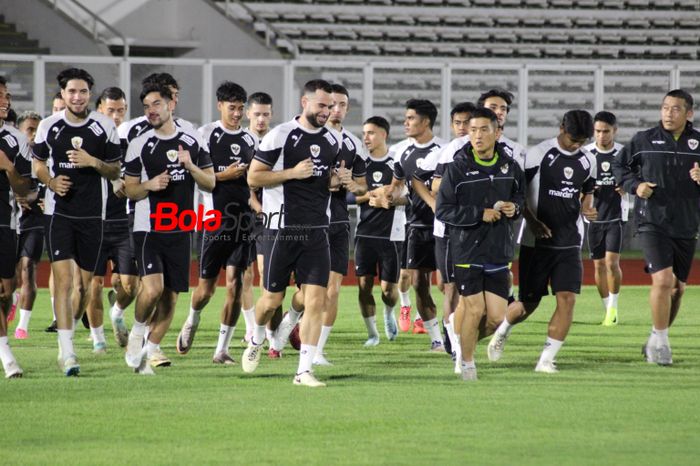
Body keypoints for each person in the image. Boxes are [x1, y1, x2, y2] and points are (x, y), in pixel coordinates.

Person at [242, 79, 343, 387]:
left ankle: (304, 371)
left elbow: (325, 182)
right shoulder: (281, 135)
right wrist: (291, 173)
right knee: (271, 299)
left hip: (316, 230)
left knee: (317, 300)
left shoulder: (332, 141)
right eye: (322, 105)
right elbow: (253, 177)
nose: (327, 111)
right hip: (280, 229)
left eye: (331, 106)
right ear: (305, 102)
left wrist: (338, 180)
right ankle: (257, 337)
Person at [487, 110, 597, 373]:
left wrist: (587, 208)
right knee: (528, 304)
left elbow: (588, 192)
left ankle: (546, 359)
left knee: (567, 298)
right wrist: (533, 222)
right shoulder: (538, 154)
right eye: (572, 139)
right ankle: (504, 329)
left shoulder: (587, 160)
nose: (576, 145)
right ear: (561, 128)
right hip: (535, 242)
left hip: (570, 241)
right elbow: (518, 194)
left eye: (581, 141)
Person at [32, 68, 122, 376]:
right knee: (65, 281)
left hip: (94, 216)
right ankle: (67, 352)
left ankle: (71, 342)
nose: (77, 96)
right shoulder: (49, 126)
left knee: (85, 287)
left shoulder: (104, 126)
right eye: (72, 91)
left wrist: (92, 162)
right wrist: (51, 182)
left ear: (90, 95)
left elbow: (114, 171)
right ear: (62, 94)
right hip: (58, 215)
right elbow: (38, 164)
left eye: (83, 91)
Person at [271, 83, 367, 365]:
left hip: (337, 223)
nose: (334, 110)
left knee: (331, 290)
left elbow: (362, 188)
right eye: (329, 104)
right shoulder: (301, 137)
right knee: (306, 293)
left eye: (340, 105)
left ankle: (316, 351)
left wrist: (352, 185)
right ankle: (290, 319)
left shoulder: (351, 143)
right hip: (303, 222)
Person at [123, 82, 214, 373]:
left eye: (156, 104)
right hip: (148, 227)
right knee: (153, 289)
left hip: (181, 227)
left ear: (170, 105)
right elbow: (130, 190)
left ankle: (148, 351)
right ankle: (137, 333)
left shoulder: (192, 139)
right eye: (146, 106)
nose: (151, 110)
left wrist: (190, 166)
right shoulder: (139, 143)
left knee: (171, 296)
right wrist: (149, 185)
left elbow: (210, 183)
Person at [436, 107, 525, 381]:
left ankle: (458, 335)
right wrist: (479, 213)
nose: (476, 135)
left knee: (497, 318)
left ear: (497, 132)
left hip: (498, 250)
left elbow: (521, 199)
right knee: (474, 309)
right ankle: (467, 364)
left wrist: (515, 208)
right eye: (472, 130)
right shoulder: (457, 168)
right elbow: (443, 210)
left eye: (483, 130)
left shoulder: (511, 167)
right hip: (467, 249)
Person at [613, 89, 700, 366]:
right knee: (663, 281)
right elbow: (619, 166)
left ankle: (655, 335)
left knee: (678, 289)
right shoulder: (643, 140)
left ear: (689, 114)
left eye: (675, 109)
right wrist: (635, 186)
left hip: (687, 224)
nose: (668, 113)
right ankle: (661, 344)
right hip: (652, 222)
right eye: (664, 108)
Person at [175, 81, 258, 364]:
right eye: (231, 108)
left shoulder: (250, 140)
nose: (236, 114)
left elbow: (254, 180)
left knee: (236, 284)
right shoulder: (204, 135)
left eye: (240, 108)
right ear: (219, 105)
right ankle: (192, 318)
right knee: (206, 289)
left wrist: (256, 201)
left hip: (243, 222)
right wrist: (226, 175)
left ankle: (222, 349)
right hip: (213, 221)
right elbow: (198, 177)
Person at [412, 101, 476, 361]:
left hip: (476, 230)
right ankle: (453, 343)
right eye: (457, 123)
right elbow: (417, 178)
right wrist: (434, 204)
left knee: (460, 288)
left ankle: (460, 337)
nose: (462, 128)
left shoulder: (487, 150)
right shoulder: (447, 151)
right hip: (447, 229)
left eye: (466, 123)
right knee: (449, 287)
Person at [389, 99, 446, 351]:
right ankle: (436, 339)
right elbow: (396, 187)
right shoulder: (402, 152)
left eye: (410, 118)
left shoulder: (446, 151)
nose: (406, 122)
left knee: (447, 285)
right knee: (419, 284)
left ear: (425, 122)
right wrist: (382, 195)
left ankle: (453, 333)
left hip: (446, 227)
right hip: (417, 226)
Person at [87, 86, 138, 352]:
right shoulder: (87, 142)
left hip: (122, 222)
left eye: (121, 111)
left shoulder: (130, 144)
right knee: (92, 284)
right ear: (99, 111)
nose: (116, 116)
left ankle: (117, 312)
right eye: (111, 111)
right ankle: (98, 339)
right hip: (93, 222)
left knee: (131, 285)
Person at [355, 116, 406, 346]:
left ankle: (388, 313)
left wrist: (392, 199)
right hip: (364, 234)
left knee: (388, 290)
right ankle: (373, 334)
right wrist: (373, 195)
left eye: (371, 132)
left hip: (391, 235)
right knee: (364, 286)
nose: (366, 137)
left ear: (384, 134)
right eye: (364, 133)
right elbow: (350, 195)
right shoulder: (360, 163)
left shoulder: (397, 162)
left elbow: (409, 196)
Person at [0, 76, 32, 378]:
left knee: (6, 290)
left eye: (6, 95)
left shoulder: (14, 139)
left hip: (5, 222)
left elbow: (25, 189)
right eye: (0, 95)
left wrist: (8, 167)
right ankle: (6, 354)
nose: (5, 101)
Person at [584, 111, 626, 326]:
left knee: (611, 262)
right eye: (598, 131)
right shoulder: (586, 154)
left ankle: (614, 307)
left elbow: (635, 181)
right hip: (593, 219)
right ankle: (607, 308)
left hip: (616, 216)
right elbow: (576, 188)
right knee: (599, 265)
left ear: (614, 131)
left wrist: (627, 187)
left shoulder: (623, 154)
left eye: (606, 131)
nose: (601, 136)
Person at [241, 92, 273, 343]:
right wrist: (254, 203)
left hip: (268, 215)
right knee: (244, 274)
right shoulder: (241, 140)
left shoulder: (277, 140)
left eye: (266, 114)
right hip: (241, 214)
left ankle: (266, 328)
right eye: (257, 114)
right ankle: (251, 326)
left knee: (265, 272)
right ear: (248, 113)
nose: (261, 119)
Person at [13, 111, 44, 340]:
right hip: (11, 220)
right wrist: (16, 197)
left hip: (35, 220)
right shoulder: (10, 155)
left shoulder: (47, 158)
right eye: (29, 130)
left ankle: (22, 326)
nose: (33, 135)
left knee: (28, 267)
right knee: (9, 275)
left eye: (37, 129)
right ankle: (12, 298)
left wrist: (38, 196)